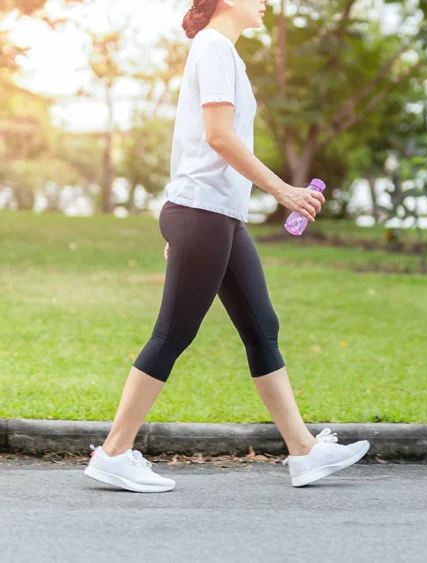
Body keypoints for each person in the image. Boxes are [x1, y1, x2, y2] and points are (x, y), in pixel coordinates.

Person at [84, 0, 370, 492]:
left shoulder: (224, 53)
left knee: (263, 329)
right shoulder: (214, 47)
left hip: (218, 217)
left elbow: (207, 140)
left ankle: (303, 451)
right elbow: (218, 137)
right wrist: (283, 191)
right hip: (203, 213)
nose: (264, 3)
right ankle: (114, 452)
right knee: (172, 334)